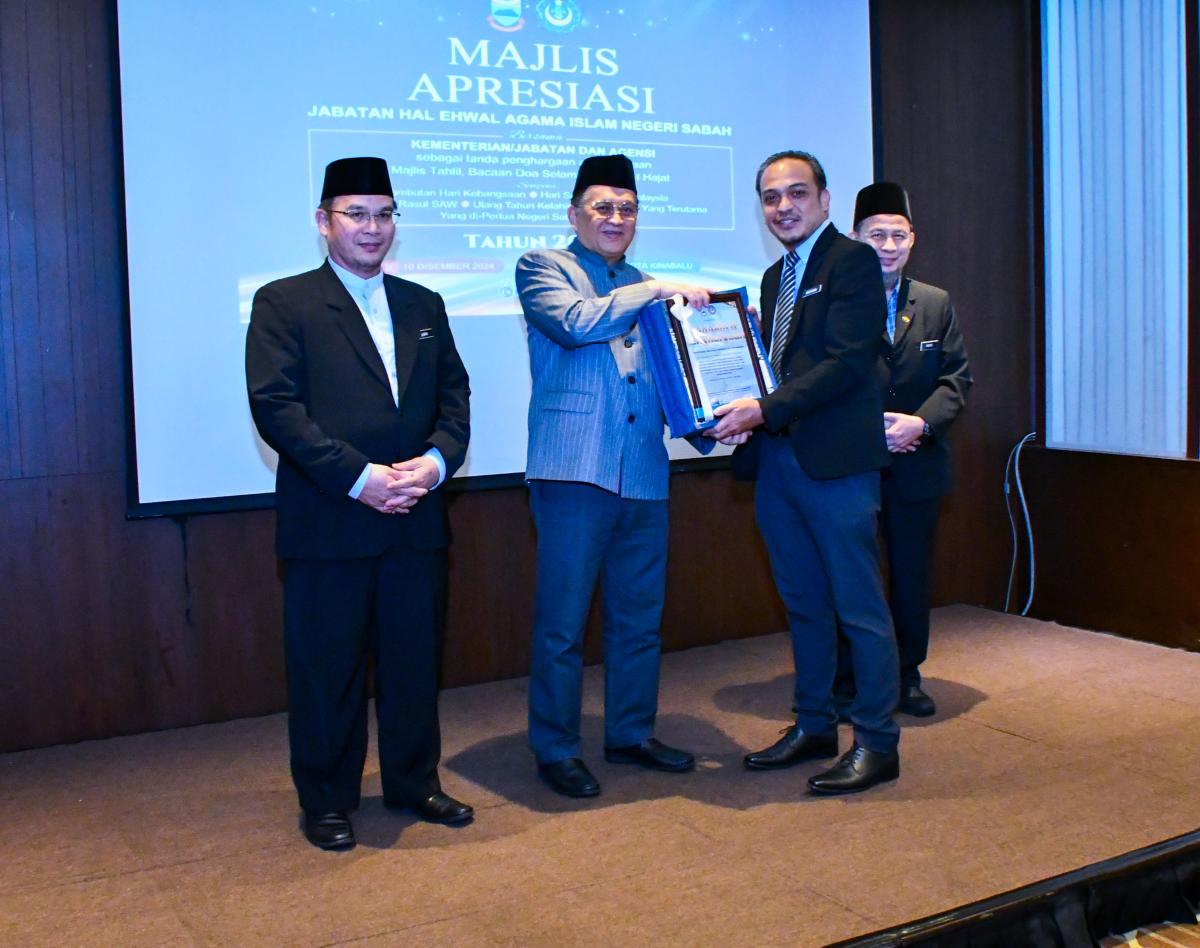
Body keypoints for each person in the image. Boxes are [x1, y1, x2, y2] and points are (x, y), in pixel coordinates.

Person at [246, 157, 472, 849]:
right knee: (328, 670)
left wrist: (434, 465)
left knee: (413, 663)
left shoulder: (424, 305)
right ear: (324, 222)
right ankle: (326, 799)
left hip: (415, 519)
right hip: (331, 519)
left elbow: (454, 400)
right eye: (355, 214)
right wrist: (359, 477)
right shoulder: (284, 302)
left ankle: (413, 781)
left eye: (383, 214)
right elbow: (277, 408)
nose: (372, 228)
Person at [514, 154, 712, 798]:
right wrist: (653, 293)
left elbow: (672, 378)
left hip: (645, 471)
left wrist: (714, 422)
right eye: (603, 206)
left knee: (639, 619)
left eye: (627, 208)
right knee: (562, 624)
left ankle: (630, 733)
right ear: (574, 213)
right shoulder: (543, 267)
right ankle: (556, 748)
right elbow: (576, 324)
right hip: (574, 469)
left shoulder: (649, 283)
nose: (616, 217)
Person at [708, 150, 901, 795]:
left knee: (858, 608)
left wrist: (762, 409)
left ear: (824, 199)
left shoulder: (853, 261)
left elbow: (847, 363)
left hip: (836, 465)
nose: (783, 206)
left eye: (796, 193)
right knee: (804, 603)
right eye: (770, 197)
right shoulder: (774, 278)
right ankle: (815, 725)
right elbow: (778, 367)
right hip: (779, 462)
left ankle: (876, 741)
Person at [836, 182, 972, 717]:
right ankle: (849, 675)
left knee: (912, 573)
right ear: (855, 238)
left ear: (913, 238)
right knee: (853, 573)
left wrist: (921, 423)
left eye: (898, 235)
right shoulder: (836, 300)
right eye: (877, 235)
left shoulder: (935, 302)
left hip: (917, 462)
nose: (888, 246)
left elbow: (956, 379)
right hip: (852, 464)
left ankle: (907, 674)